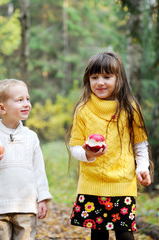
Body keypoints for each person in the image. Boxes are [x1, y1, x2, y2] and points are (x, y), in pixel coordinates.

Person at [66, 52, 153, 240]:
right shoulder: (83, 110)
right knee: (98, 236)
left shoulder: (130, 108)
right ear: (88, 80)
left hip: (122, 184)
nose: (100, 82)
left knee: (125, 236)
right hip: (93, 184)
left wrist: (142, 167)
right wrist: (89, 154)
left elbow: (140, 143)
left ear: (119, 78)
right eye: (94, 77)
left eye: (107, 77)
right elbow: (75, 148)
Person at [0, 79, 52, 240]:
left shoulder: (31, 137)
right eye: (20, 100)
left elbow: (38, 170)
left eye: (28, 99)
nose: (27, 103)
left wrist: (42, 198)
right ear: (1, 108)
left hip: (26, 206)